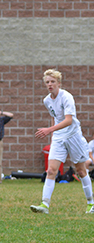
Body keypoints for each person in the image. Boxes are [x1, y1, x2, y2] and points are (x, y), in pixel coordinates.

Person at [30, 69, 94, 214]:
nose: (50, 84)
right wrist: (53, 137)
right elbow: (55, 117)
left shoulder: (67, 97)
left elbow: (68, 120)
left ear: (59, 83)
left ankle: (91, 203)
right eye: (47, 82)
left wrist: (49, 130)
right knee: (51, 170)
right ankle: (44, 204)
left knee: (81, 171)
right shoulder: (46, 100)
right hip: (58, 136)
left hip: (73, 135)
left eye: (52, 81)